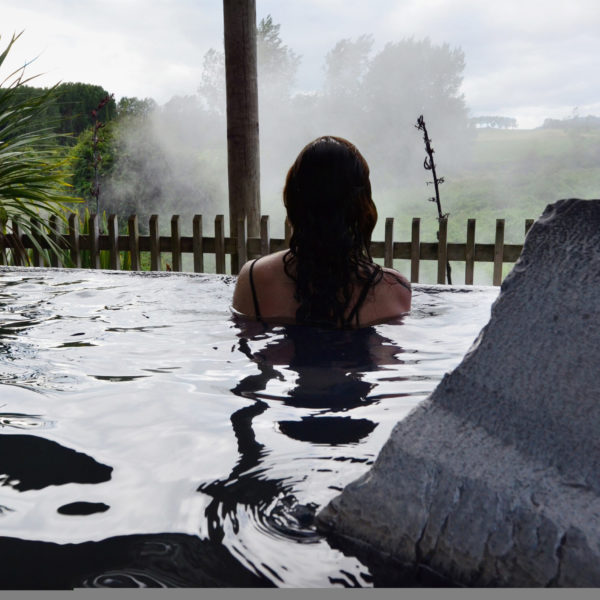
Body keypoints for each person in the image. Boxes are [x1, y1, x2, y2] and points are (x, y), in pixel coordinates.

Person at [232, 135, 411, 328]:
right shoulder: (395, 289)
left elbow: (249, 349)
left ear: (294, 200)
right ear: (361, 206)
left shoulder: (253, 277)